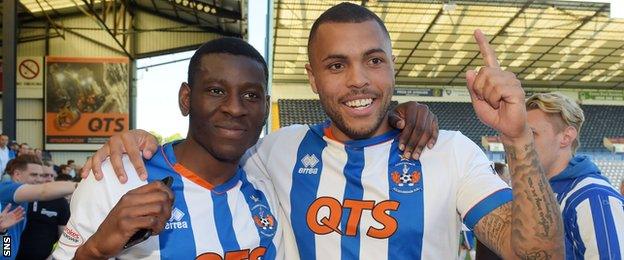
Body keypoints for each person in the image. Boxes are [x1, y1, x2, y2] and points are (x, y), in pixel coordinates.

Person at [84, 3, 564, 259]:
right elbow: (206, 144)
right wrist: (136, 139)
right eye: (337, 65)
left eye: (373, 61)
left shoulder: (449, 151)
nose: (358, 79)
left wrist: (518, 138)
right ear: (313, 79)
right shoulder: (274, 152)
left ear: (392, 69)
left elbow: (538, 255)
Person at [54, 36, 437, 259]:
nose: (235, 108)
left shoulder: (265, 180)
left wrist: (405, 112)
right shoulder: (119, 176)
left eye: (250, 95)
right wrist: (97, 249)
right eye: (216, 91)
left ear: (265, 105)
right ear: (187, 99)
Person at [526, 92, 624, 259]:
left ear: (566, 137)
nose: (523, 142)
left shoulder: (593, 197)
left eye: (532, 134)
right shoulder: (538, 191)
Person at [1, 154, 77, 259]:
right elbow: (43, 191)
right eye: (33, 175)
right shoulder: (7, 189)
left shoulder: (23, 199)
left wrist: (3, 235)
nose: (39, 180)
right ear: (17, 174)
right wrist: (81, 186)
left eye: (41, 175)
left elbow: (7, 239)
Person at [17, 164, 69, 260]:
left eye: (52, 176)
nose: (49, 179)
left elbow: (64, 238)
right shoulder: (21, 198)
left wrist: (52, 257)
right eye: (45, 175)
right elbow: (7, 235)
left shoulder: (61, 202)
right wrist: (6, 255)